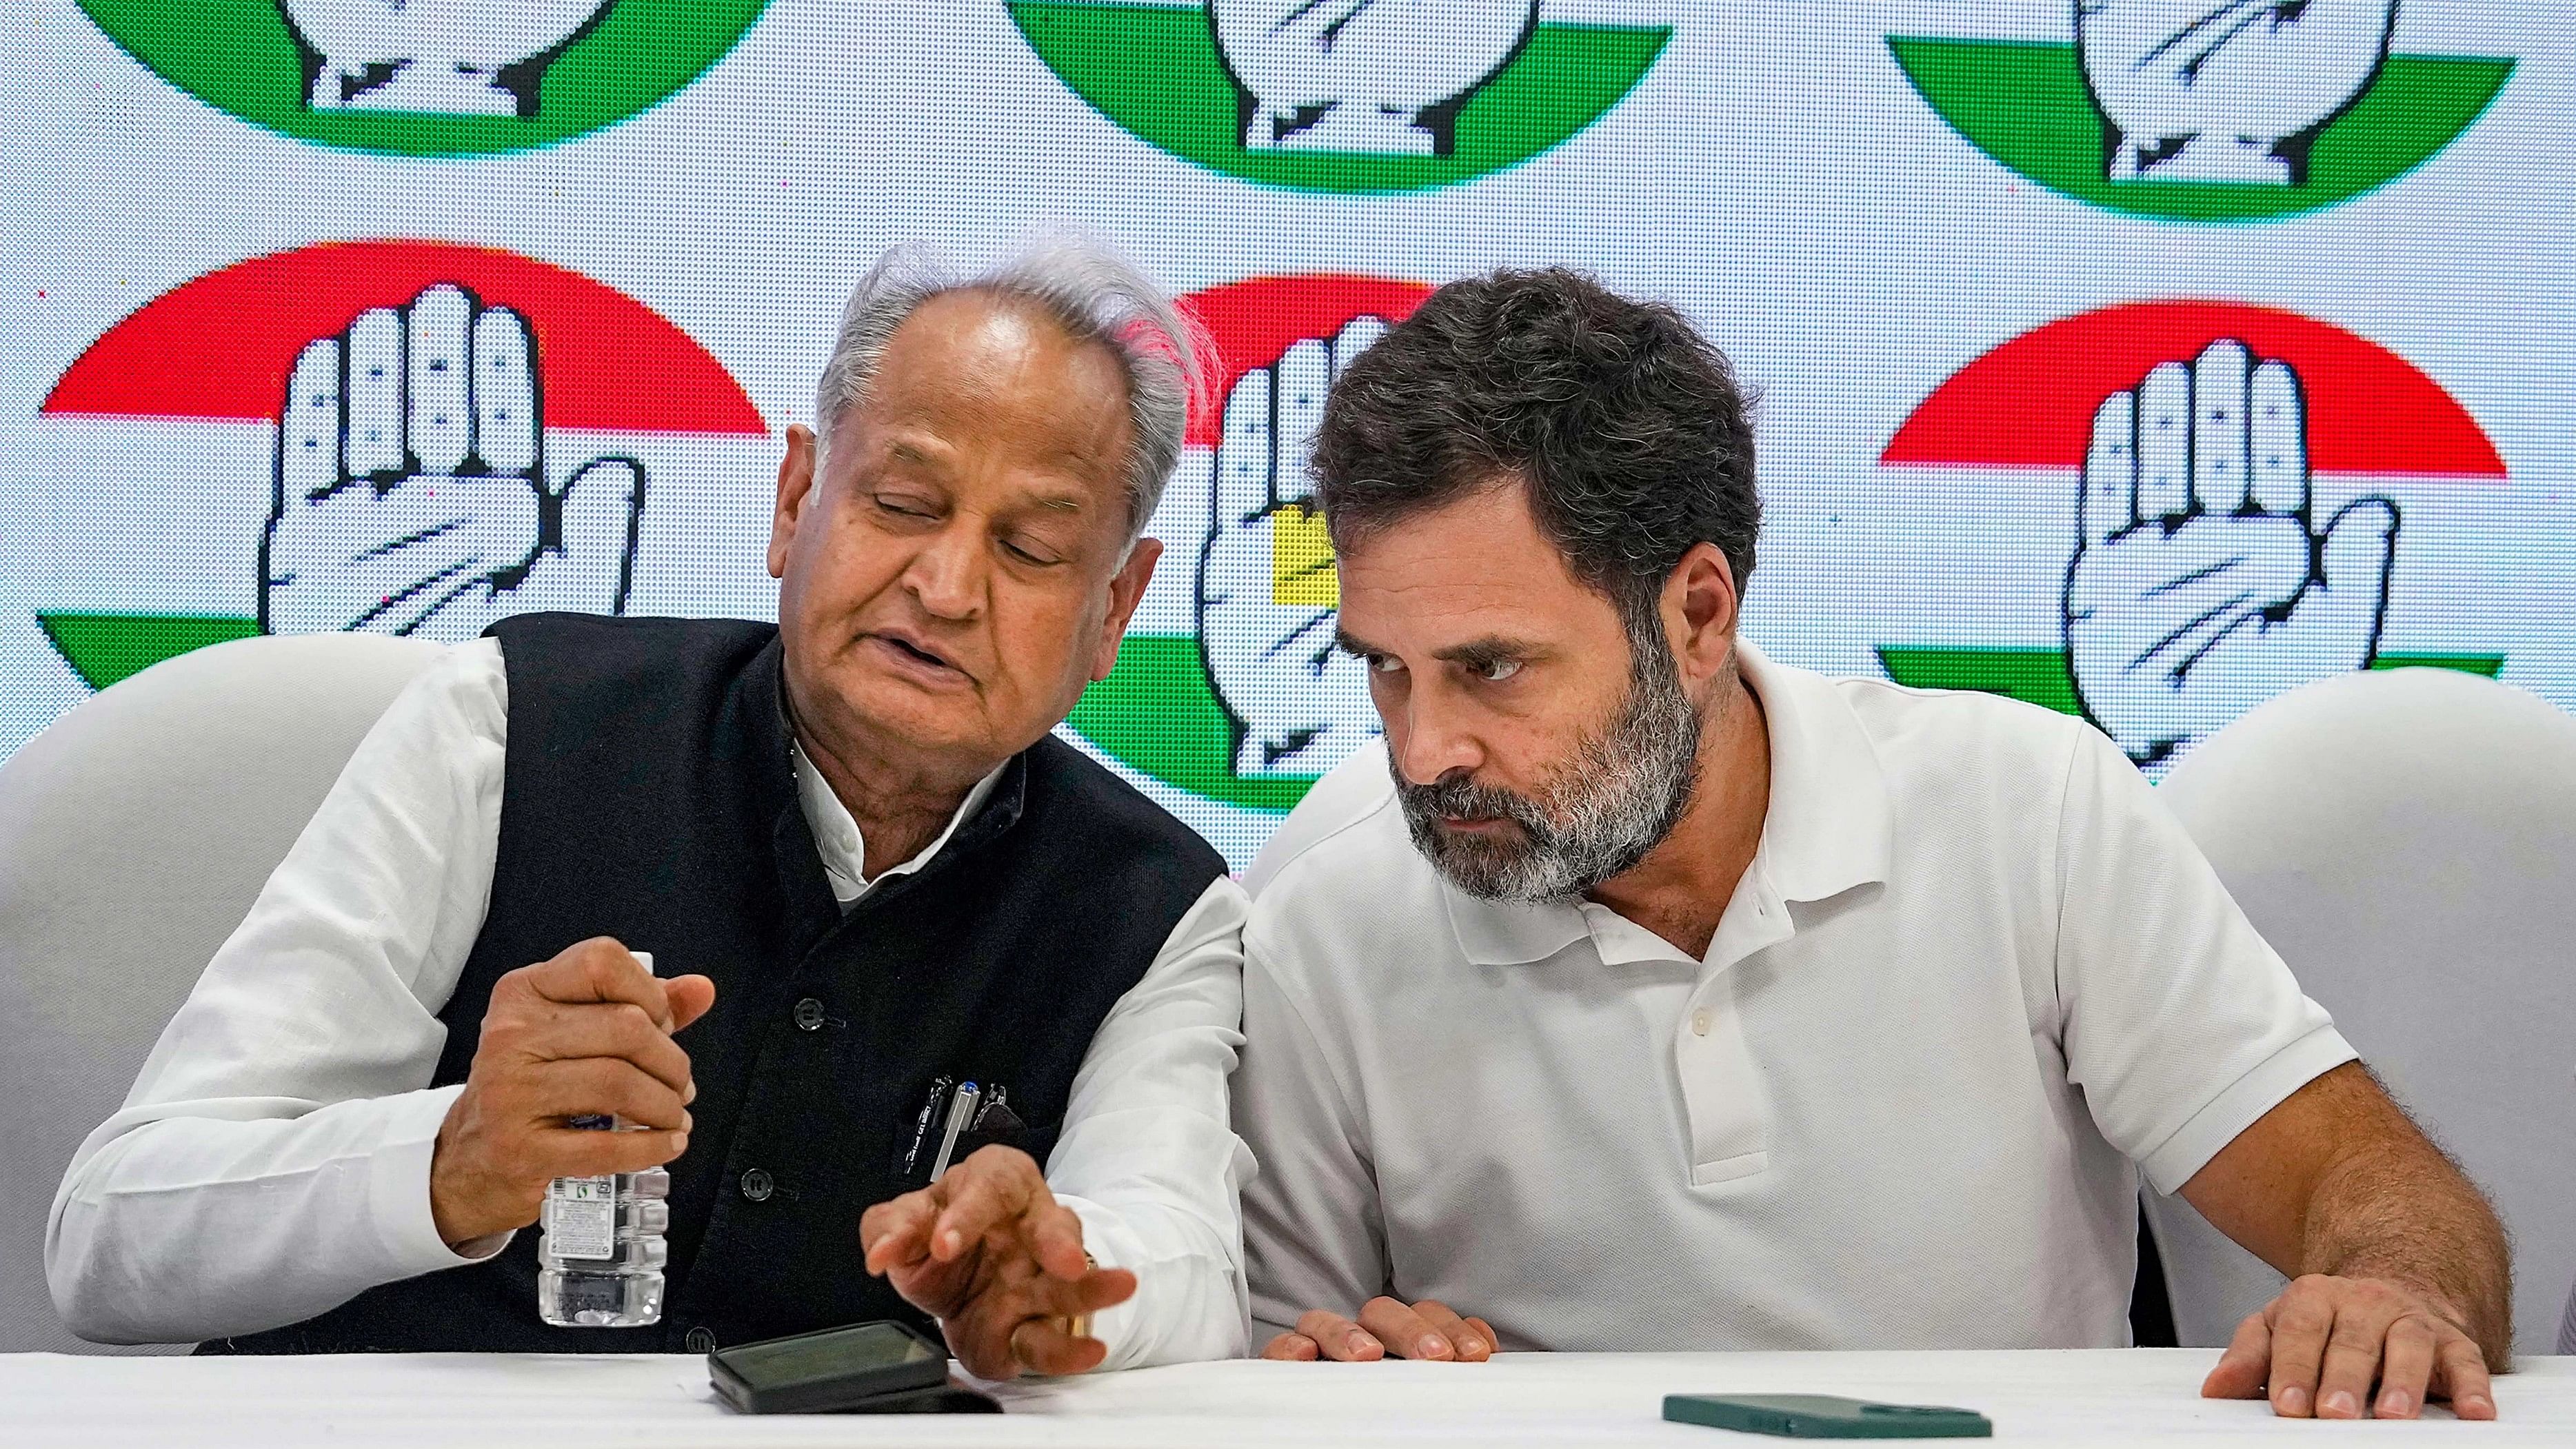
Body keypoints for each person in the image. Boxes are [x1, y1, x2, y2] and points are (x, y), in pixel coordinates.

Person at [1233, 268, 2513, 1421]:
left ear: (1696, 613)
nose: (1423, 751)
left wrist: (2393, 1291)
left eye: (1492, 668)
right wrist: (1350, 1378)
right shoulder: (1325, 902)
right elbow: (1266, 1370)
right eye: (1388, 672)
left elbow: (2376, 1188)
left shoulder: (2030, 805)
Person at [48, 235, 1252, 1378]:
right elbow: (107, 1237)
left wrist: (1062, 1267)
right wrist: (447, 1162)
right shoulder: (510, 722)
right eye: (902, 502)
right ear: (795, 502)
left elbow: (1187, 1260)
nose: (944, 589)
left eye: (1033, 548)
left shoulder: (1157, 907)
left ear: (1116, 607)